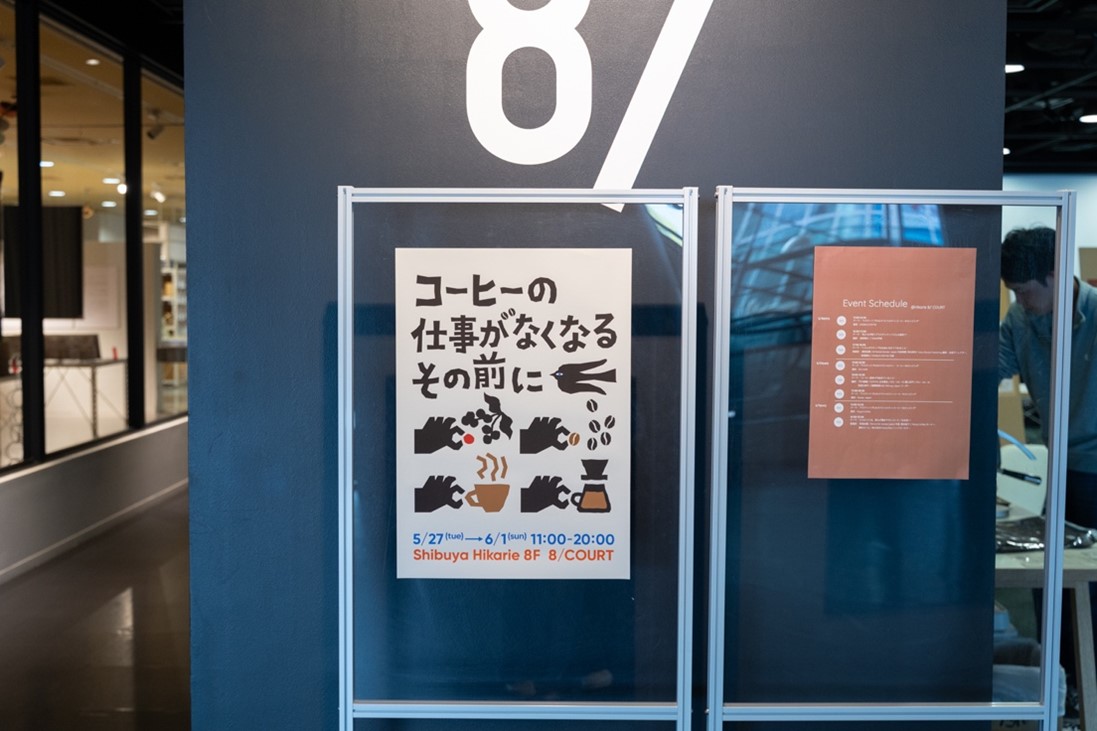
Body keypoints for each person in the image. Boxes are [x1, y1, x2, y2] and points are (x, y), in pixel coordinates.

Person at [999, 224, 1097, 704]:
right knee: (1047, 578)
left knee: (1088, 586)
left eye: (1025, 291)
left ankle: (1088, 688)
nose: (1020, 300)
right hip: (1057, 467)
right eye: (1013, 292)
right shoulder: (1019, 319)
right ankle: (1060, 688)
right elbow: (990, 370)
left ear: (1055, 276)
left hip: (1094, 468)